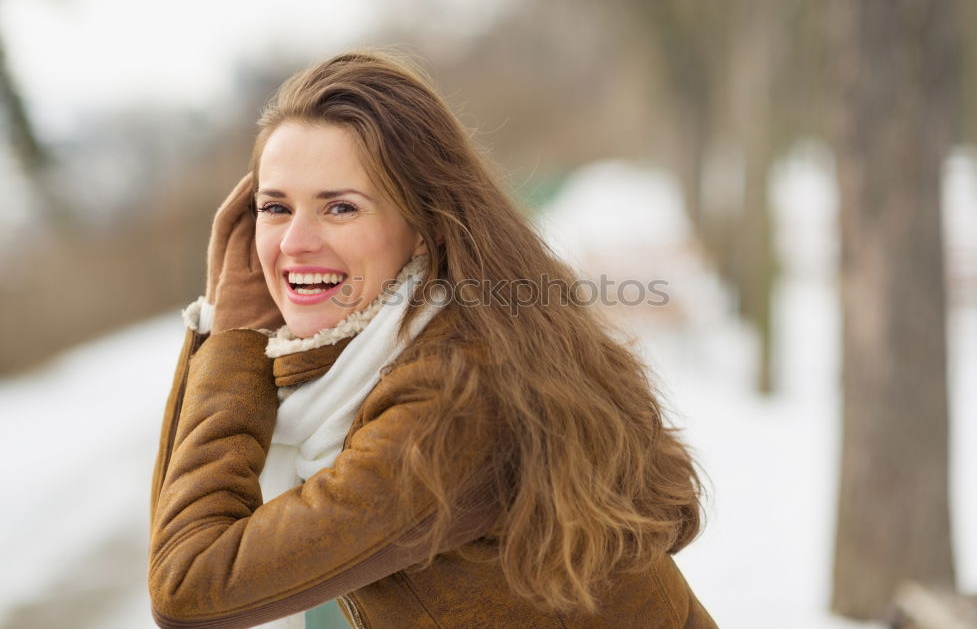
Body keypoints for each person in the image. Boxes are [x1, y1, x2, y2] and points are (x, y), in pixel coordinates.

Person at [148, 50, 717, 629]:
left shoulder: (452, 396)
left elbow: (188, 585)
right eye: (275, 207)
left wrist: (233, 340)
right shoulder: (392, 361)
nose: (294, 241)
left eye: (340, 207)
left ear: (422, 230)